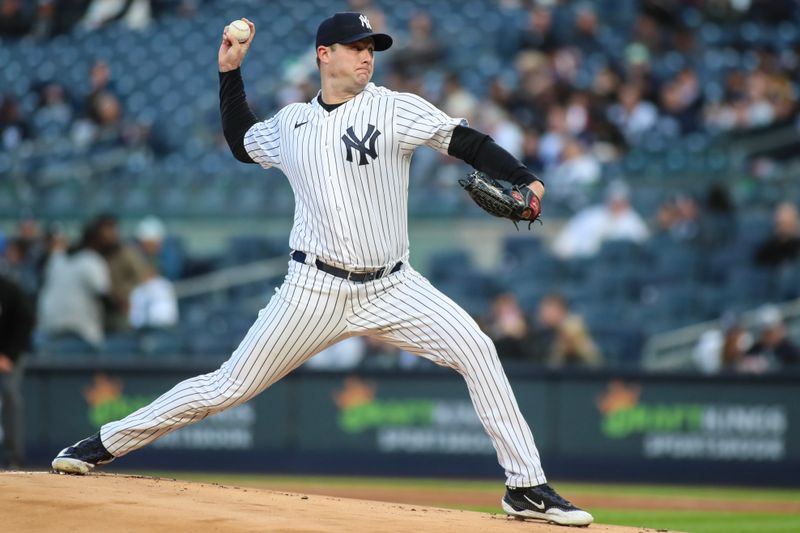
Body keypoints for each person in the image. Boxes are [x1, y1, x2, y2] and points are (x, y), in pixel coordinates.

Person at [51, 12, 592, 527]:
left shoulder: (393, 108)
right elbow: (242, 143)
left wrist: (527, 177)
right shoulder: (293, 123)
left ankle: (525, 486)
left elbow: (464, 140)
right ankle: (106, 443)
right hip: (314, 289)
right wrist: (230, 72)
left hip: (393, 285)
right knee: (227, 388)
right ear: (323, 55)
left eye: (371, 49)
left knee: (477, 349)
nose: (366, 58)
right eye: (356, 49)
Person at [37, 223, 111, 350]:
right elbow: (103, 295)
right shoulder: (92, 260)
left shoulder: (56, 260)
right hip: (82, 331)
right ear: (94, 241)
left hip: (50, 329)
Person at [552, 180, 650, 259]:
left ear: (627, 202)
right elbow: (566, 239)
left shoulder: (634, 222)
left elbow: (642, 246)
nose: (616, 204)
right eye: (614, 200)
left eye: (620, 201)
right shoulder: (590, 215)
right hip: (583, 266)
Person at [0, 274, 35, 468]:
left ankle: (13, 455)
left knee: (9, 392)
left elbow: (25, 321)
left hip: (9, 354)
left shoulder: (9, 289)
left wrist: (9, 355)